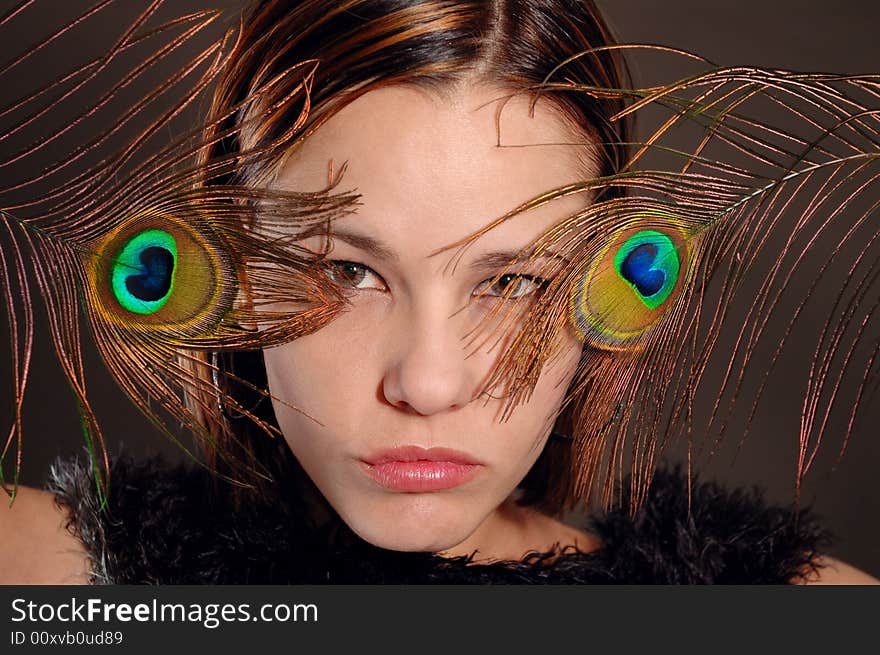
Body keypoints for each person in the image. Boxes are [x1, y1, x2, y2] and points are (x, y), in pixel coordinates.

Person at [0, 0, 877, 584]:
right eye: (348, 271)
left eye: (512, 282)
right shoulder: (43, 572)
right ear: (224, 265)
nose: (428, 384)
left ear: (609, 290)